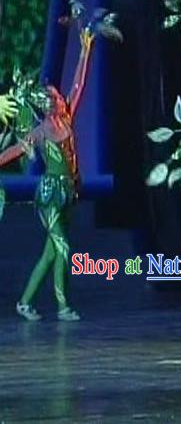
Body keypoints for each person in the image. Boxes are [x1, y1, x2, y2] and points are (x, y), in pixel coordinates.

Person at [0, 28, 95, 321]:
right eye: (55, 96)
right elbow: (13, 152)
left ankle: (25, 302)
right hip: (48, 195)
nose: (62, 97)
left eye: (59, 94)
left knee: (50, 253)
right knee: (63, 247)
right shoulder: (41, 132)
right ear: (49, 104)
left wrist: (85, 50)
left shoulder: (66, 119)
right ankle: (63, 306)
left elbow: (79, 84)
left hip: (67, 191)